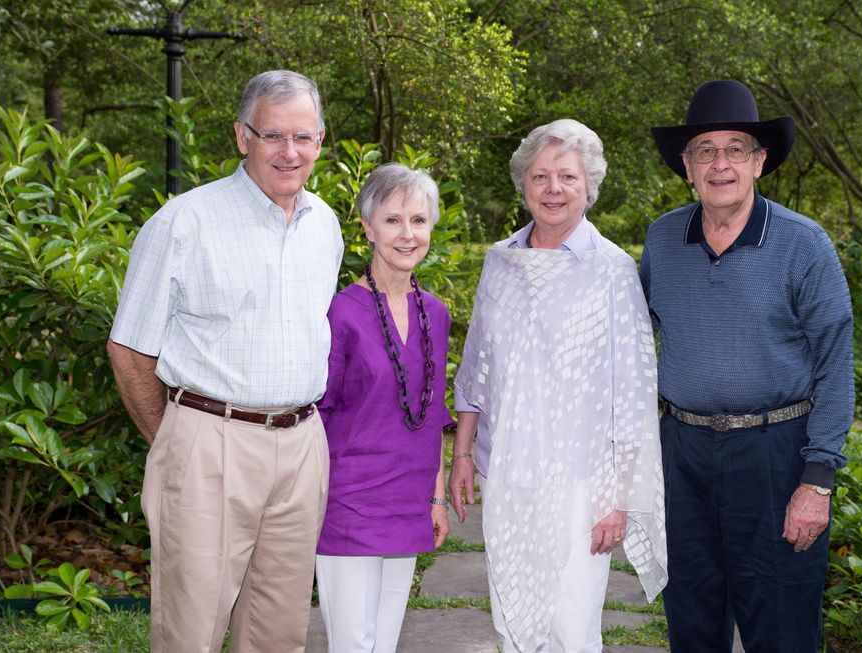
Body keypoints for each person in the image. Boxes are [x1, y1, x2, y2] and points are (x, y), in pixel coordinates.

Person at [107, 70, 343, 653]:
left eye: (303, 137)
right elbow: (130, 347)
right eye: (272, 136)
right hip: (208, 446)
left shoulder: (327, 226)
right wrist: (174, 443)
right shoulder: (183, 223)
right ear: (242, 137)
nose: (289, 153)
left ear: (320, 141)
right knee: (190, 630)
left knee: (279, 631)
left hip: (302, 444)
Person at [641, 79, 854, 652]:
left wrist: (818, 481)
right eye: (704, 151)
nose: (720, 164)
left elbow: (836, 367)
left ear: (759, 162)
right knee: (692, 622)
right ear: (686, 167)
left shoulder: (804, 244)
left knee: (781, 629)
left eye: (736, 148)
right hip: (682, 457)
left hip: (775, 457)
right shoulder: (662, 241)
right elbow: (629, 344)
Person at [448, 119, 667, 653]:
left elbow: (633, 393)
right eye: (540, 176)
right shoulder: (500, 263)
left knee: (572, 628)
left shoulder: (612, 270)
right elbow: (477, 368)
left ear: (589, 186)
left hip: (583, 480)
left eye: (567, 177)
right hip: (511, 472)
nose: (552, 189)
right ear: (523, 183)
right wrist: (460, 456)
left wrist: (617, 499)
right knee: (513, 619)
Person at [314, 163, 453, 652]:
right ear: (368, 228)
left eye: (418, 220)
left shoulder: (436, 313)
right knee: (353, 644)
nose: (407, 234)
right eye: (393, 220)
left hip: (408, 500)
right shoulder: (340, 311)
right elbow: (317, 414)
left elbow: (432, 415)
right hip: (347, 501)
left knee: (385, 642)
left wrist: (436, 497)